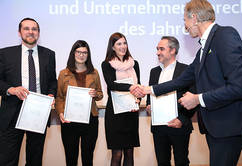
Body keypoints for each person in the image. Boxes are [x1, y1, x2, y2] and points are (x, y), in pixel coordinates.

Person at [132, 0, 242, 166]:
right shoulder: (203, 48)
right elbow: (181, 81)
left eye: (184, 21)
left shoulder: (225, 35)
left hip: (228, 125)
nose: (185, 26)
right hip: (216, 126)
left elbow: (238, 88)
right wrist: (147, 90)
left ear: (194, 18)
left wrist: (197, 99)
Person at [0, 17, 57, 166]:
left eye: (34, 29)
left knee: (35, 159)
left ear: (38, 33)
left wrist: (52, 94)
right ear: (19, 32)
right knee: (7, 160)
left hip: (38, 112)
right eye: (26, 28)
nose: (30, 32)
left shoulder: (49, 54)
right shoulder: (5, 54)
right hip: (12, 112)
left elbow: (52, 81)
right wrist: (10, 89)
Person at [146, 36, 195, 166]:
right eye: (157, 49)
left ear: (173, 50)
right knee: (162, 162)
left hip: (179, 125)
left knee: (181, 162)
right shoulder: (154, 72)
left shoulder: (186, 70)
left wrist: (182, 120)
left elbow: (193, 96)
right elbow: (149, 96)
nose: (157, 52)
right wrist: (149, 106)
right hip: (158, 127)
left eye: (161, 49)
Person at [55, 40, 103, 166]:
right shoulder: (63, 74)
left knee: (88, 158)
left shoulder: (94, 72)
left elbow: (100, 94)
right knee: (71, 158)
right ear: (73, 53)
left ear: (88, 55)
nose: (81, 55)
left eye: (85, 52)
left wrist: (95, 94)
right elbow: (59, 97)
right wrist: (60, 113)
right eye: (78, 52)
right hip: (69, 120)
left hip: (90, 120)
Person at [101, 32, 140, 166]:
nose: (123, 46)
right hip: (115, 114)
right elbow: (111, 85)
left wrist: (139, 97)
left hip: (131, 113)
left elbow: (139, 86)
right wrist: (131, 87)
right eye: (119, 44)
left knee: (129, 151)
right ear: (112, 47)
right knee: (117, 153)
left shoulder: (135, 64)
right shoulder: (106, 64)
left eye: (124, 43)